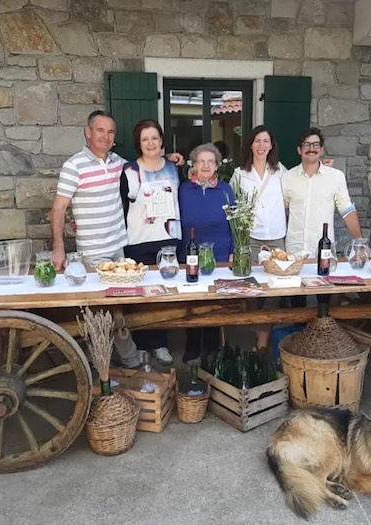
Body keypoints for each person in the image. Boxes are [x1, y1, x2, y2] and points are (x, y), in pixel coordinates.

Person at [49, 110, 181, 368]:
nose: (106, 136)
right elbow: (58, 209)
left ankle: (129, 359)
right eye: (100, 130)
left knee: (121, 308)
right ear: (88, 132)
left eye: (110, 132)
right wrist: (58, 247)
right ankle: (99, 363)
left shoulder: (119, 163)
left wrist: (167, 158)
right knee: (97, 310)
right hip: (92, 251)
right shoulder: (73, 166)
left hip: (119, 248)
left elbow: (148, 162)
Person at [120, 119, 182, 366]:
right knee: (140, 297)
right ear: (139, 143)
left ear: (161, 141)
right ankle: (142, 345)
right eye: (145, 139)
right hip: (138, 240)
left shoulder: (175, 168)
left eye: (154, 138)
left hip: (168, 239)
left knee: (163, 294)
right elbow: (123, 207)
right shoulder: (129, 171)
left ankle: (160, 343)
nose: (150, 143)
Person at [230, 125, 286, 352]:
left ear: (271, 145)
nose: (261, 145)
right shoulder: (239, 174)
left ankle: (262, 342)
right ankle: (258, 326)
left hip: (276, 237)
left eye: (266, 141)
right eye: (257, 141)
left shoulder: (281, 171)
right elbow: (232, 206)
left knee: (273, 289)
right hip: (250, 237)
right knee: (251, 287)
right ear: (250, 145)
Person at [178, 143, 235, 363]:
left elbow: (234, 223)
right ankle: (192, 345)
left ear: (217, 166)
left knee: (213, 301)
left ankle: (211, 347)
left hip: (219, 253)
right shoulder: (183, 189)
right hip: (190, 252)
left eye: (210, 161)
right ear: (193, 164)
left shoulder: (225, 190)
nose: (205, 165)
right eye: (201, 161)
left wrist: (232, 252)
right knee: (191, 301)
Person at [283, 127, 362, 256]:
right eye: (306, 144)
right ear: (299, 149)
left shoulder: (336, 177)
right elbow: (279, 210)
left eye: (316, 145)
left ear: (322, 149)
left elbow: (347, 211)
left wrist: (359, 242)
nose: (311, 149)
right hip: (294, 252)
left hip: (324, 252)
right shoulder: (287, 177)